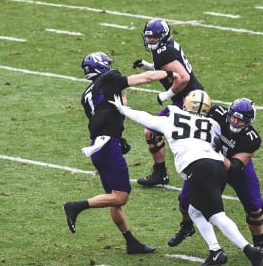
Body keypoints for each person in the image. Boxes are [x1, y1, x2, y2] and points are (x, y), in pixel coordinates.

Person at [109, 90, 263, 266]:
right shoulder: (213, 123)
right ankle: (215, 251)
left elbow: (146, 119)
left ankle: (250, 250)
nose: (235, 122)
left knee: (216, 215)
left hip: (202, 168)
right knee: (195, 211)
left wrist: (123, 109)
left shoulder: (171, 118)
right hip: (216, 166)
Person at [63, 52, 180, 255]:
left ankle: (130, 242)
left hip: (100, 145)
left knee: (113, 196)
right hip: (107, 146)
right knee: (120, 197)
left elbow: (105, 114)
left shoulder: (88, 94)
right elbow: (145, 78)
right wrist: (169, 73)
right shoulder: (109, 80)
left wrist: (119, 136)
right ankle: (76, 206)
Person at [166, 98, 263, 261]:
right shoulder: (216, 113)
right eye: (233, 117)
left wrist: (217, 151)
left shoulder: (251, 139)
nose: (235, 121)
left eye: (241, 120)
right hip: (206, 163)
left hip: (234, 168)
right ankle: (186, 227)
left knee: (254, 206)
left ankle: (260, 245)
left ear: (248, 122)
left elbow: (234, 167)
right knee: (185, 200)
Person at [132, 19, 205, 186]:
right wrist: (147, 66)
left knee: (152, 132)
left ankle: (161, 174)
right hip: (193, 97)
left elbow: (183, 77)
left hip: (189, 101)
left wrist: (166, 94)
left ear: (162, 37)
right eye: (149, 37)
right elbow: (168, 68)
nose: (151, 40)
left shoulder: (164, 52)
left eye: (154, 37)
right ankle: (161, 173)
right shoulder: (167, 46)